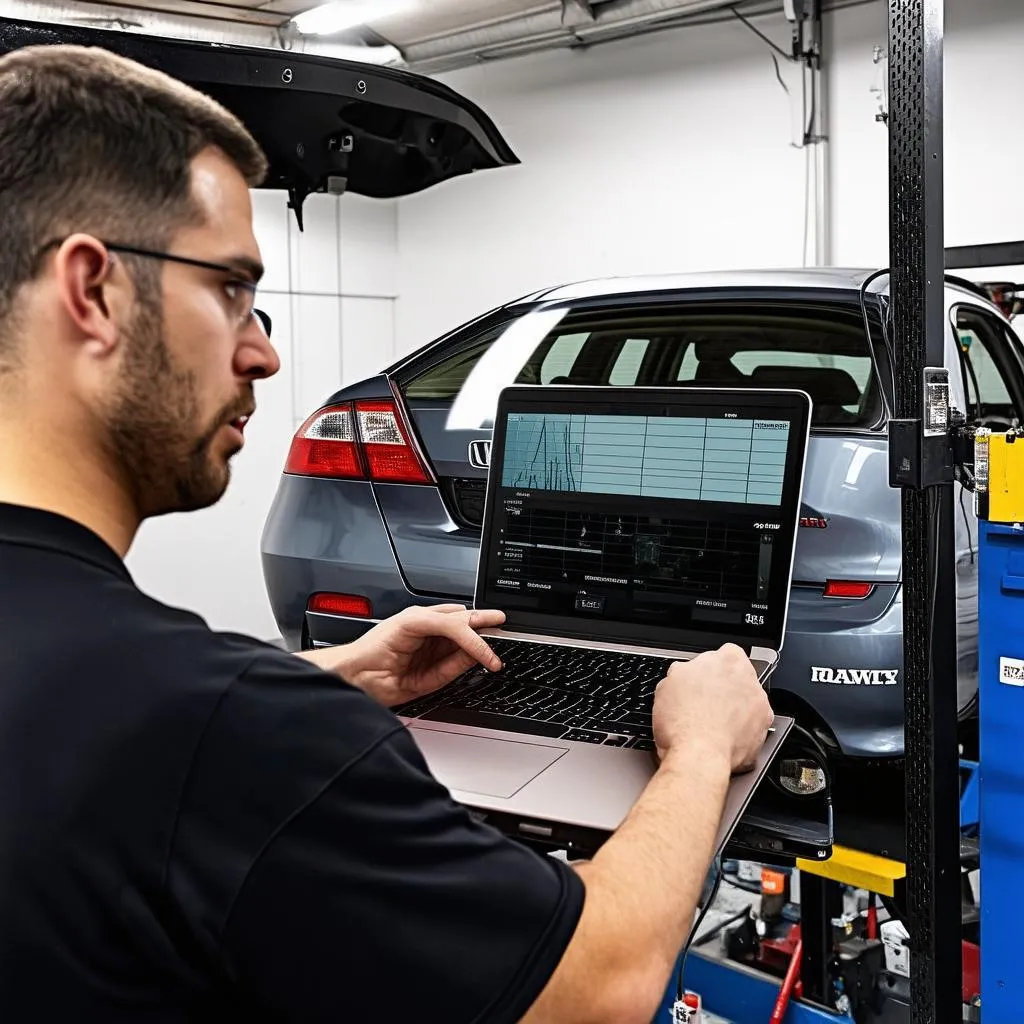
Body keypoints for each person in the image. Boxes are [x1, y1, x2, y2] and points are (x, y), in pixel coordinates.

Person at [0, 43, 774, 1024]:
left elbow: (77, 726)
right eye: (232, 288)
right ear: (93, 291)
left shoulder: (173, 710)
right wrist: (703, 749)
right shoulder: (228, 730)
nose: (265, 350)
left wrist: (334, 676)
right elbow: (597, 985)